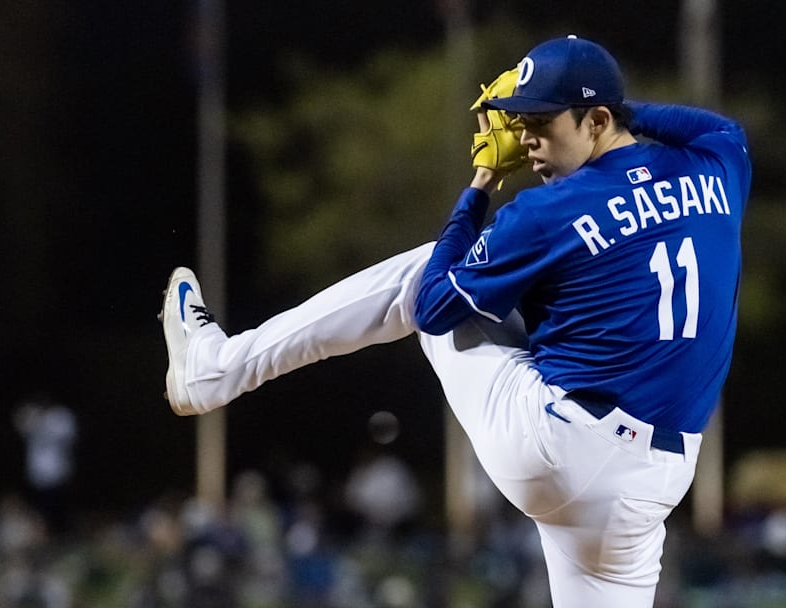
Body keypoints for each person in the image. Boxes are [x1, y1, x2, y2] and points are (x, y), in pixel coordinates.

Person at [160, 35, 751, 606]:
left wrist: (482, 183)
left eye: (541, 122)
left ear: (596, 120)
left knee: (428, 271)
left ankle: (215, 368)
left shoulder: (547, 211)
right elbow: (722, 127)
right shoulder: (716, 166)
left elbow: (433, 310)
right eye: (520, 121)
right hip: (657, 482)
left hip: (560, 450)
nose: (524, 139)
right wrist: (618, 109)